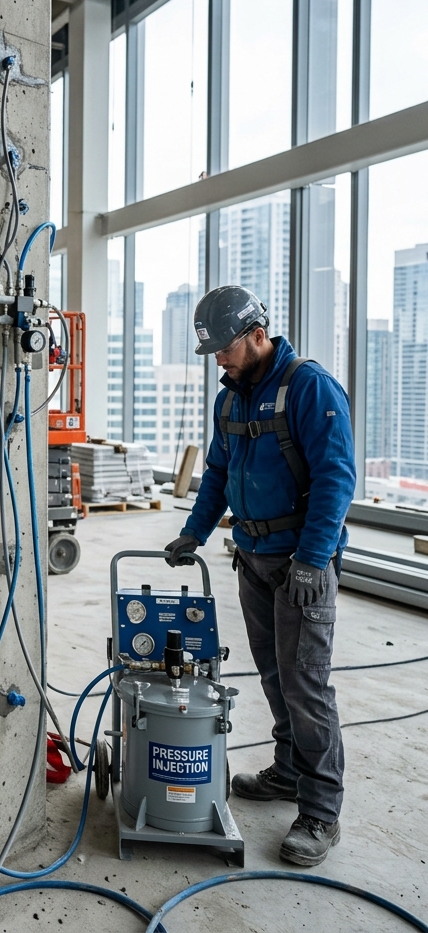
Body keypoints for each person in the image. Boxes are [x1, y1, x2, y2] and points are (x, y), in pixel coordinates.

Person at [164, 285, 355, 868]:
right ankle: (289, 771)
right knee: (275, 675)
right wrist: (195, 531)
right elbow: (217, 474)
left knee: (306, 686)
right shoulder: (231, 400)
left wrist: (313, 559)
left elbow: (336, 478)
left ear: (257, 334)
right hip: (253, 558)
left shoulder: (309, 387)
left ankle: (320, 811)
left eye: (225, 348)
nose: (219, 360)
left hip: (301, 565)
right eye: (213, 351)